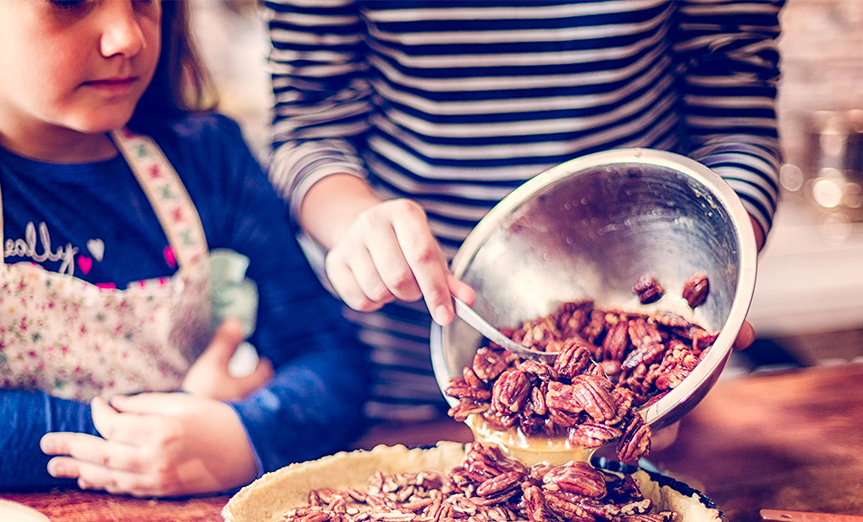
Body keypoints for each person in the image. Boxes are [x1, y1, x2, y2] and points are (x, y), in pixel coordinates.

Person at [0, 0, 368, 497]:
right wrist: (193, 420)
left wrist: (242, 435)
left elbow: (332, 363)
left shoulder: (208, 154)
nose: (127, 37)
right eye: (70, 0)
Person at [264, 0, 783, 423]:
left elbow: (736, 116)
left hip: (644, 310)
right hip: (400, 361)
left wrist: (722, 258)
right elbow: (309, 127)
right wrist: (355, 221)